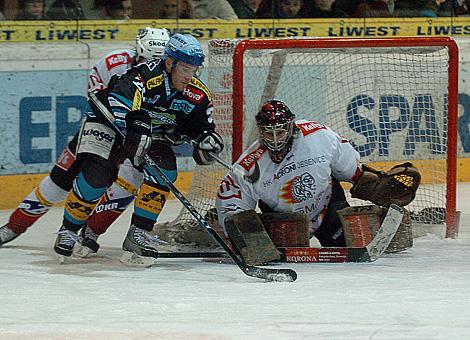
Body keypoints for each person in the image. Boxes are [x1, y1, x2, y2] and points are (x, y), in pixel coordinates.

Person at [52, 33, 224, 261]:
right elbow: (121, 108)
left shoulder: (198, 93)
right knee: (98, 176)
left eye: (194, 70)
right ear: (170, 62)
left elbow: (200, 125)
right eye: (185, 69)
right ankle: (69, 229)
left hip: (149, 133)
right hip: (109, 124)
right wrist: (136, 131)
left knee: (165, 171)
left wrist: (205, 139)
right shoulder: (142, 76)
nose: (189, 76)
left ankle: (139, 233)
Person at [0, 28, 170, 251]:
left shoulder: (170, 75)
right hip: (102, 129)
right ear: (138, 51)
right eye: (146, 60)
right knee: (60, 180)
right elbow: (96, 100)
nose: (150, 67)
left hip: (137, 137)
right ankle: (14, 226)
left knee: (129, 183)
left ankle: (92, 231)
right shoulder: (113, 63)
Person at [215, 100, 419, 253]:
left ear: (291, 126)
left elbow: (348, 165)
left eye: (281, 132)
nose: (275, 140)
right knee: (280, 255)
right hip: (284, 218)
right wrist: (236, 229)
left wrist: (366, 180)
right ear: (261, 132)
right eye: (269, 133)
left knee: (351, 244)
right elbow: (231, 202)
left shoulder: (318, 136)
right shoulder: (250, 164)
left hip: (327, 205)